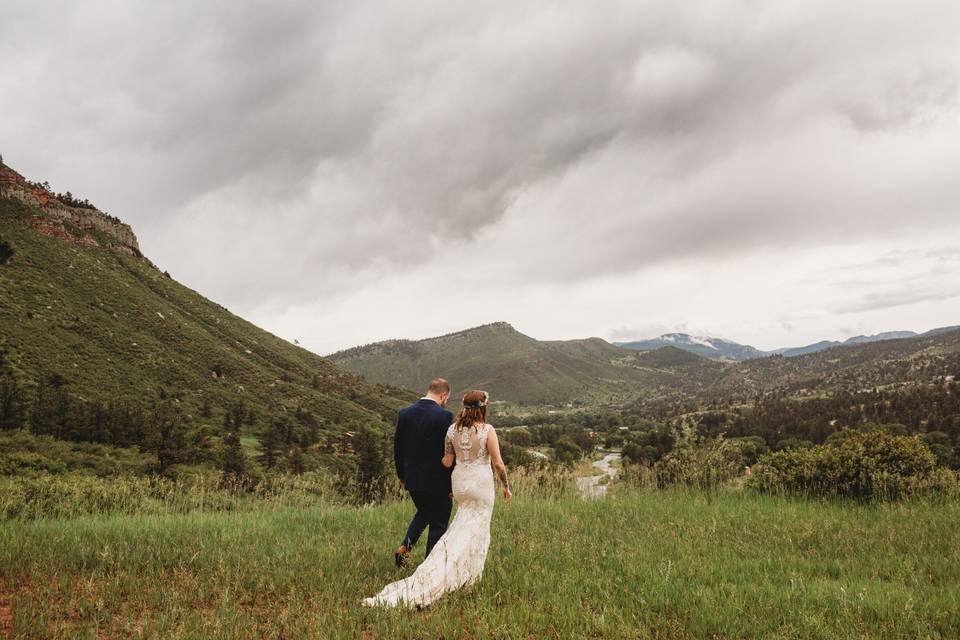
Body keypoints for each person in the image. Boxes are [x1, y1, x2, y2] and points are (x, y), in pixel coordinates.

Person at [363, 389, 512, 608]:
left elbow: (446, 461)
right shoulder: (487, 430)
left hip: (460, 483)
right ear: (483, 408)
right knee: (477, 529)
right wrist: (506, 486)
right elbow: (498, 464)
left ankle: (450, 568)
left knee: (461, 525)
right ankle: (467, 577)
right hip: (480, 484)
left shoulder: (452, 430)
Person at [393, 378, 455, 566]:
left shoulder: (405, 413)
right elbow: (449, 452)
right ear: (443, 395)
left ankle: (404, 549)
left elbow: (398, 448)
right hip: (438, 481)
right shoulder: (444, 416)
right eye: (447, 398)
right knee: (439, 524)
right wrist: (452, 483)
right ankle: (430, 567)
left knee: (424, 513)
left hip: (412, 479)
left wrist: (401, 476)